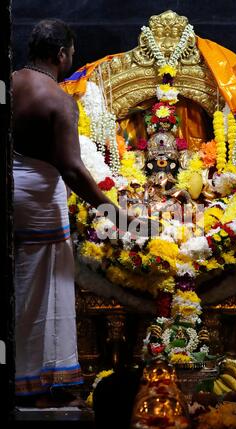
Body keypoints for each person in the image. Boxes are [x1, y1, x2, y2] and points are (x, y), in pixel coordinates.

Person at [12, 19, 140, 407]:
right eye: (70, 54)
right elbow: (71, 168)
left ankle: (28, 377)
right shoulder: (58, 98)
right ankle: (30, 384)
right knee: (36, 290)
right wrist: (117, 216)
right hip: (37, 202)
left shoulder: (12, 82)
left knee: (19, 286)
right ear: (61, 54)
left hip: (13, 194)